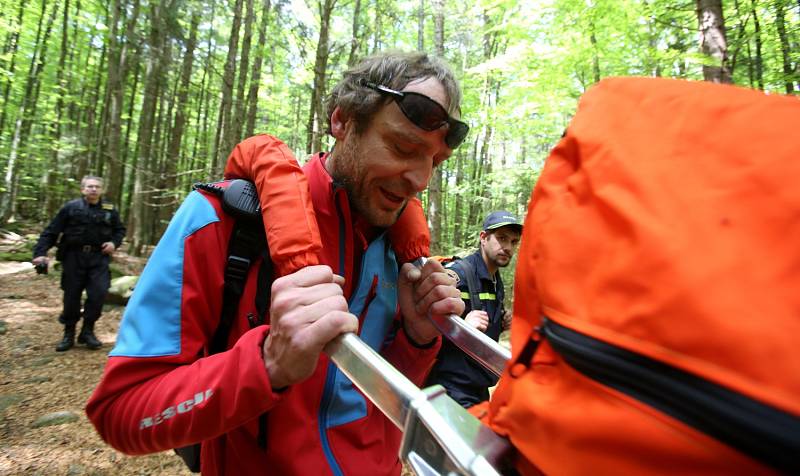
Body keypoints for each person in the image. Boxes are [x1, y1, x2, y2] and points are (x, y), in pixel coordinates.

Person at [86, 51, 468, 475]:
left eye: (434, 161)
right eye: (402, 146)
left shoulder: (403, 252)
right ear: (342, 122)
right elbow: (122, 412)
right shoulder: (223, 221)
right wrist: (267, 365)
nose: (420, 178)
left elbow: (372, 407)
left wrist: (417, 341)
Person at [426, 210, 522, 408]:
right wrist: (461, 326)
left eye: (513, 242)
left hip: (479, 388)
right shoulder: (458, 272)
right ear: (483, 238)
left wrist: (501, 321)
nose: (507, 247)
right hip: (449, 388)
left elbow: (484, 318)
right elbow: (425, 318)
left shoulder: (495, 279)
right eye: (501, 238)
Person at [32, 176, 126, 352]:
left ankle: (87, 331)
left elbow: (120, 230)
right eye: (89, 186)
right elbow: (51, 232)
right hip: (73, 257)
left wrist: (114, 243)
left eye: (97, 186)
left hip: (98, 258)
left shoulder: (110, 209)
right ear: (83, 189)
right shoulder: (70, 208)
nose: (93, 189)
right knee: (71, 296)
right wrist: (40, 253)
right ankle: (69, 333)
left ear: (102, 190)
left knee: (98, 293)